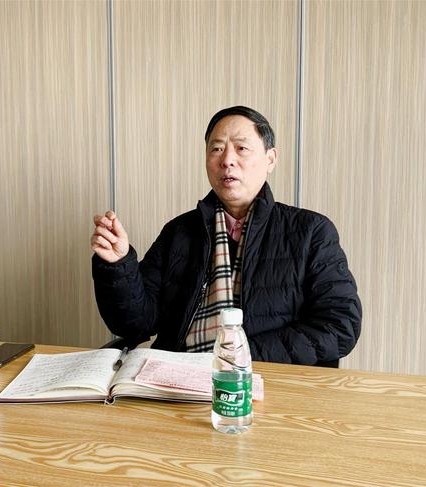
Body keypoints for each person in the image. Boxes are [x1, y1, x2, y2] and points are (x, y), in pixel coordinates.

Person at [91, 106, 361, 366]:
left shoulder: (311, 231)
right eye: (217, 149)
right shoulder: (179, 232)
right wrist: (119, 265)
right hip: (178, 376)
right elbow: (135, 324)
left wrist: (241, 356)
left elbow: (340, 325)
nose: (227, 160)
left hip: (263, 380)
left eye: (241, 148)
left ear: (270, 159)